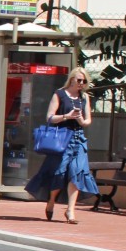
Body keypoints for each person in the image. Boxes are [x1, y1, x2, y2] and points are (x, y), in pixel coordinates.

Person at [25, 67, 99, 224]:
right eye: (79, 80)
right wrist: (66, 116)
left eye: (84, 81)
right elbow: (50, 117)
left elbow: (87, 121)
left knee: (77, 173)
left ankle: (70, 210)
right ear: (71, 79)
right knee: (58, 173)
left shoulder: (84, 97)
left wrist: (79, 119)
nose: (81, 83)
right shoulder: (59, 94)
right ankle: (51, 201)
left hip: (78, 139)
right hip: (62, 139)